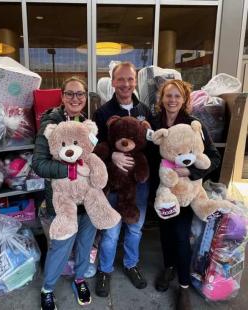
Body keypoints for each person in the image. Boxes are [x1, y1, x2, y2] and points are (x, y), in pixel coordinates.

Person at [151, 79, 221, 310]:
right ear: (161, 98)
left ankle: (183, 288)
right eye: (168, 95)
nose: (172, 100)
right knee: (166, 234)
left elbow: (213, 157)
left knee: (181, 238)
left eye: (177, 96)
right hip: (162, 191)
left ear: (184, 100)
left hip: (186, 194)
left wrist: (189, 171)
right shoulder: (155, 123)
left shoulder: (193, 125)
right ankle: (169, 267)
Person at [33, 77, 96, 310]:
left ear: (85, 97)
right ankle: (47, 288)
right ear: (62, 96)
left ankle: (79, 279)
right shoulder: (50, 124)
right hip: (62, 202)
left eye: (80, 94)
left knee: (85, 243)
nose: (75, 99)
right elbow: (38, 164)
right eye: (70, 94)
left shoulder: (88, 124)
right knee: (60, 246)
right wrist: (68, 170)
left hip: (88, 199)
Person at [93, 62, 152, 297]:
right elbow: (95, 148)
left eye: (130, 79)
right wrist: (113, 156)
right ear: (113, 81)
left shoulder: (145, 111)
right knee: (111, 231)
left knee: (135, 229)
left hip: (139, 184)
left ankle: (131, 264)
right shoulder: (103, 112)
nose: (126, 84)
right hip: (114, 182)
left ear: (135, 81)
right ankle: (105, 270)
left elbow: (150, 146)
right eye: (121, 79)